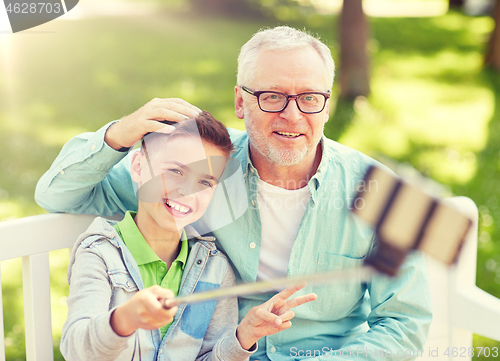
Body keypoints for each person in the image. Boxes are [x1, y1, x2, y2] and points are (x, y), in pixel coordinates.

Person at [37, 26, 432, 360]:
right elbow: (58, 195)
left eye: (310, 98)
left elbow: (405, 323)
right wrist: (118, 135)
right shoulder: (199, 170)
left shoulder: (382, 192)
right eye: (272, 96)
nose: (292, 116)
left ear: (326, 107)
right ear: (241, 102)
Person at [60, 112, 317, 361]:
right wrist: (125, 319)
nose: (187, 192)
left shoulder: (214, 269)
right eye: (176, 171)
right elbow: (77, 350)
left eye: (205, 183)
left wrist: (244, 335)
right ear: (138, 167)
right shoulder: (99, 253)